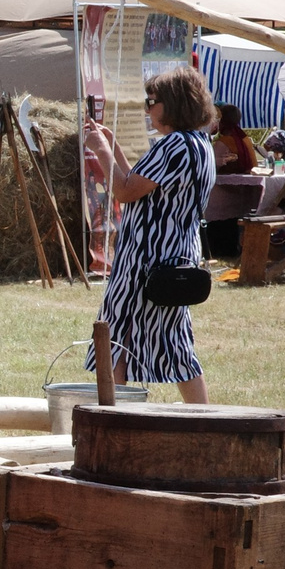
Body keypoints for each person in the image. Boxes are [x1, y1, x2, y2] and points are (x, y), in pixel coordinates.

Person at [86, 65, 217, 405]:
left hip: (147, 261)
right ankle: (203, 418)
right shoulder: (198, 144)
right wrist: (113, 148)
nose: (147, 109)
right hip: (175, 257)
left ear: (172, 104)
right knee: (173, 344)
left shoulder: (174, 145)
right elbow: (140, 184)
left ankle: (111, 418)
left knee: (114, 338)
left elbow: (126, 192)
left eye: (152, 101)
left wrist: (99, 151)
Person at [212, 102, 256, 175]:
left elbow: (212, 168)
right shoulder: (244, 138)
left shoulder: (223, 142)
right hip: (252, 181)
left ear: (221, 121)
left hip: (230, 185)